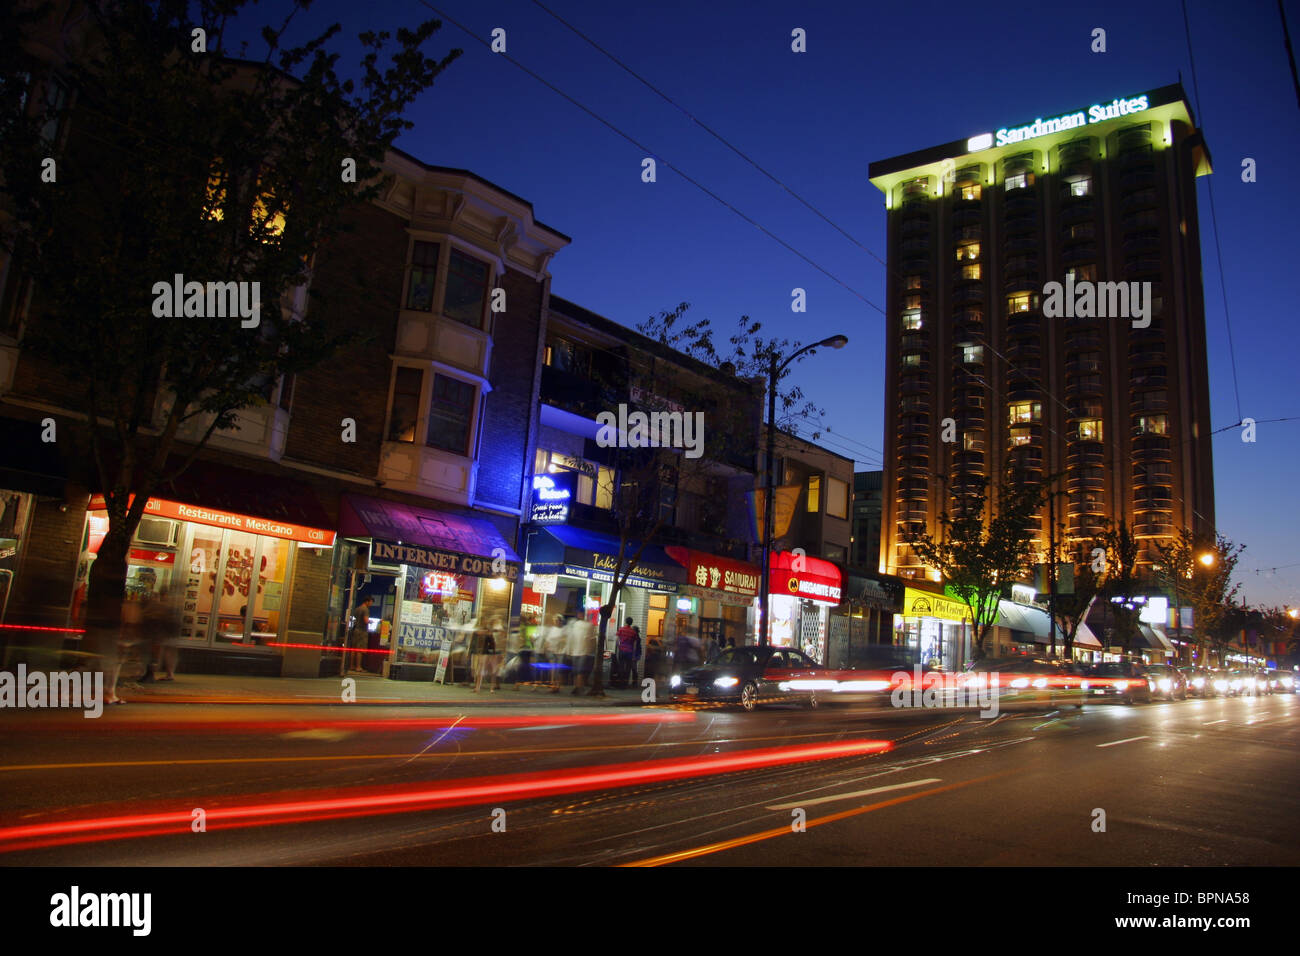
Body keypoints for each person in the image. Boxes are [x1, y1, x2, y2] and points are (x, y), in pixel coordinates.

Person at [349, 596, 373, 673]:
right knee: (360, 649)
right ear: (367, 601)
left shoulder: (357, 609)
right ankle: (358, 667)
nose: (371, 604)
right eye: (371, 602)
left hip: (356, 630)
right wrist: (371, 621)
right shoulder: (365, 610)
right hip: (362, 631)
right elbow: (366, 621)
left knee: (353, 649)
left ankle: (351, 666)